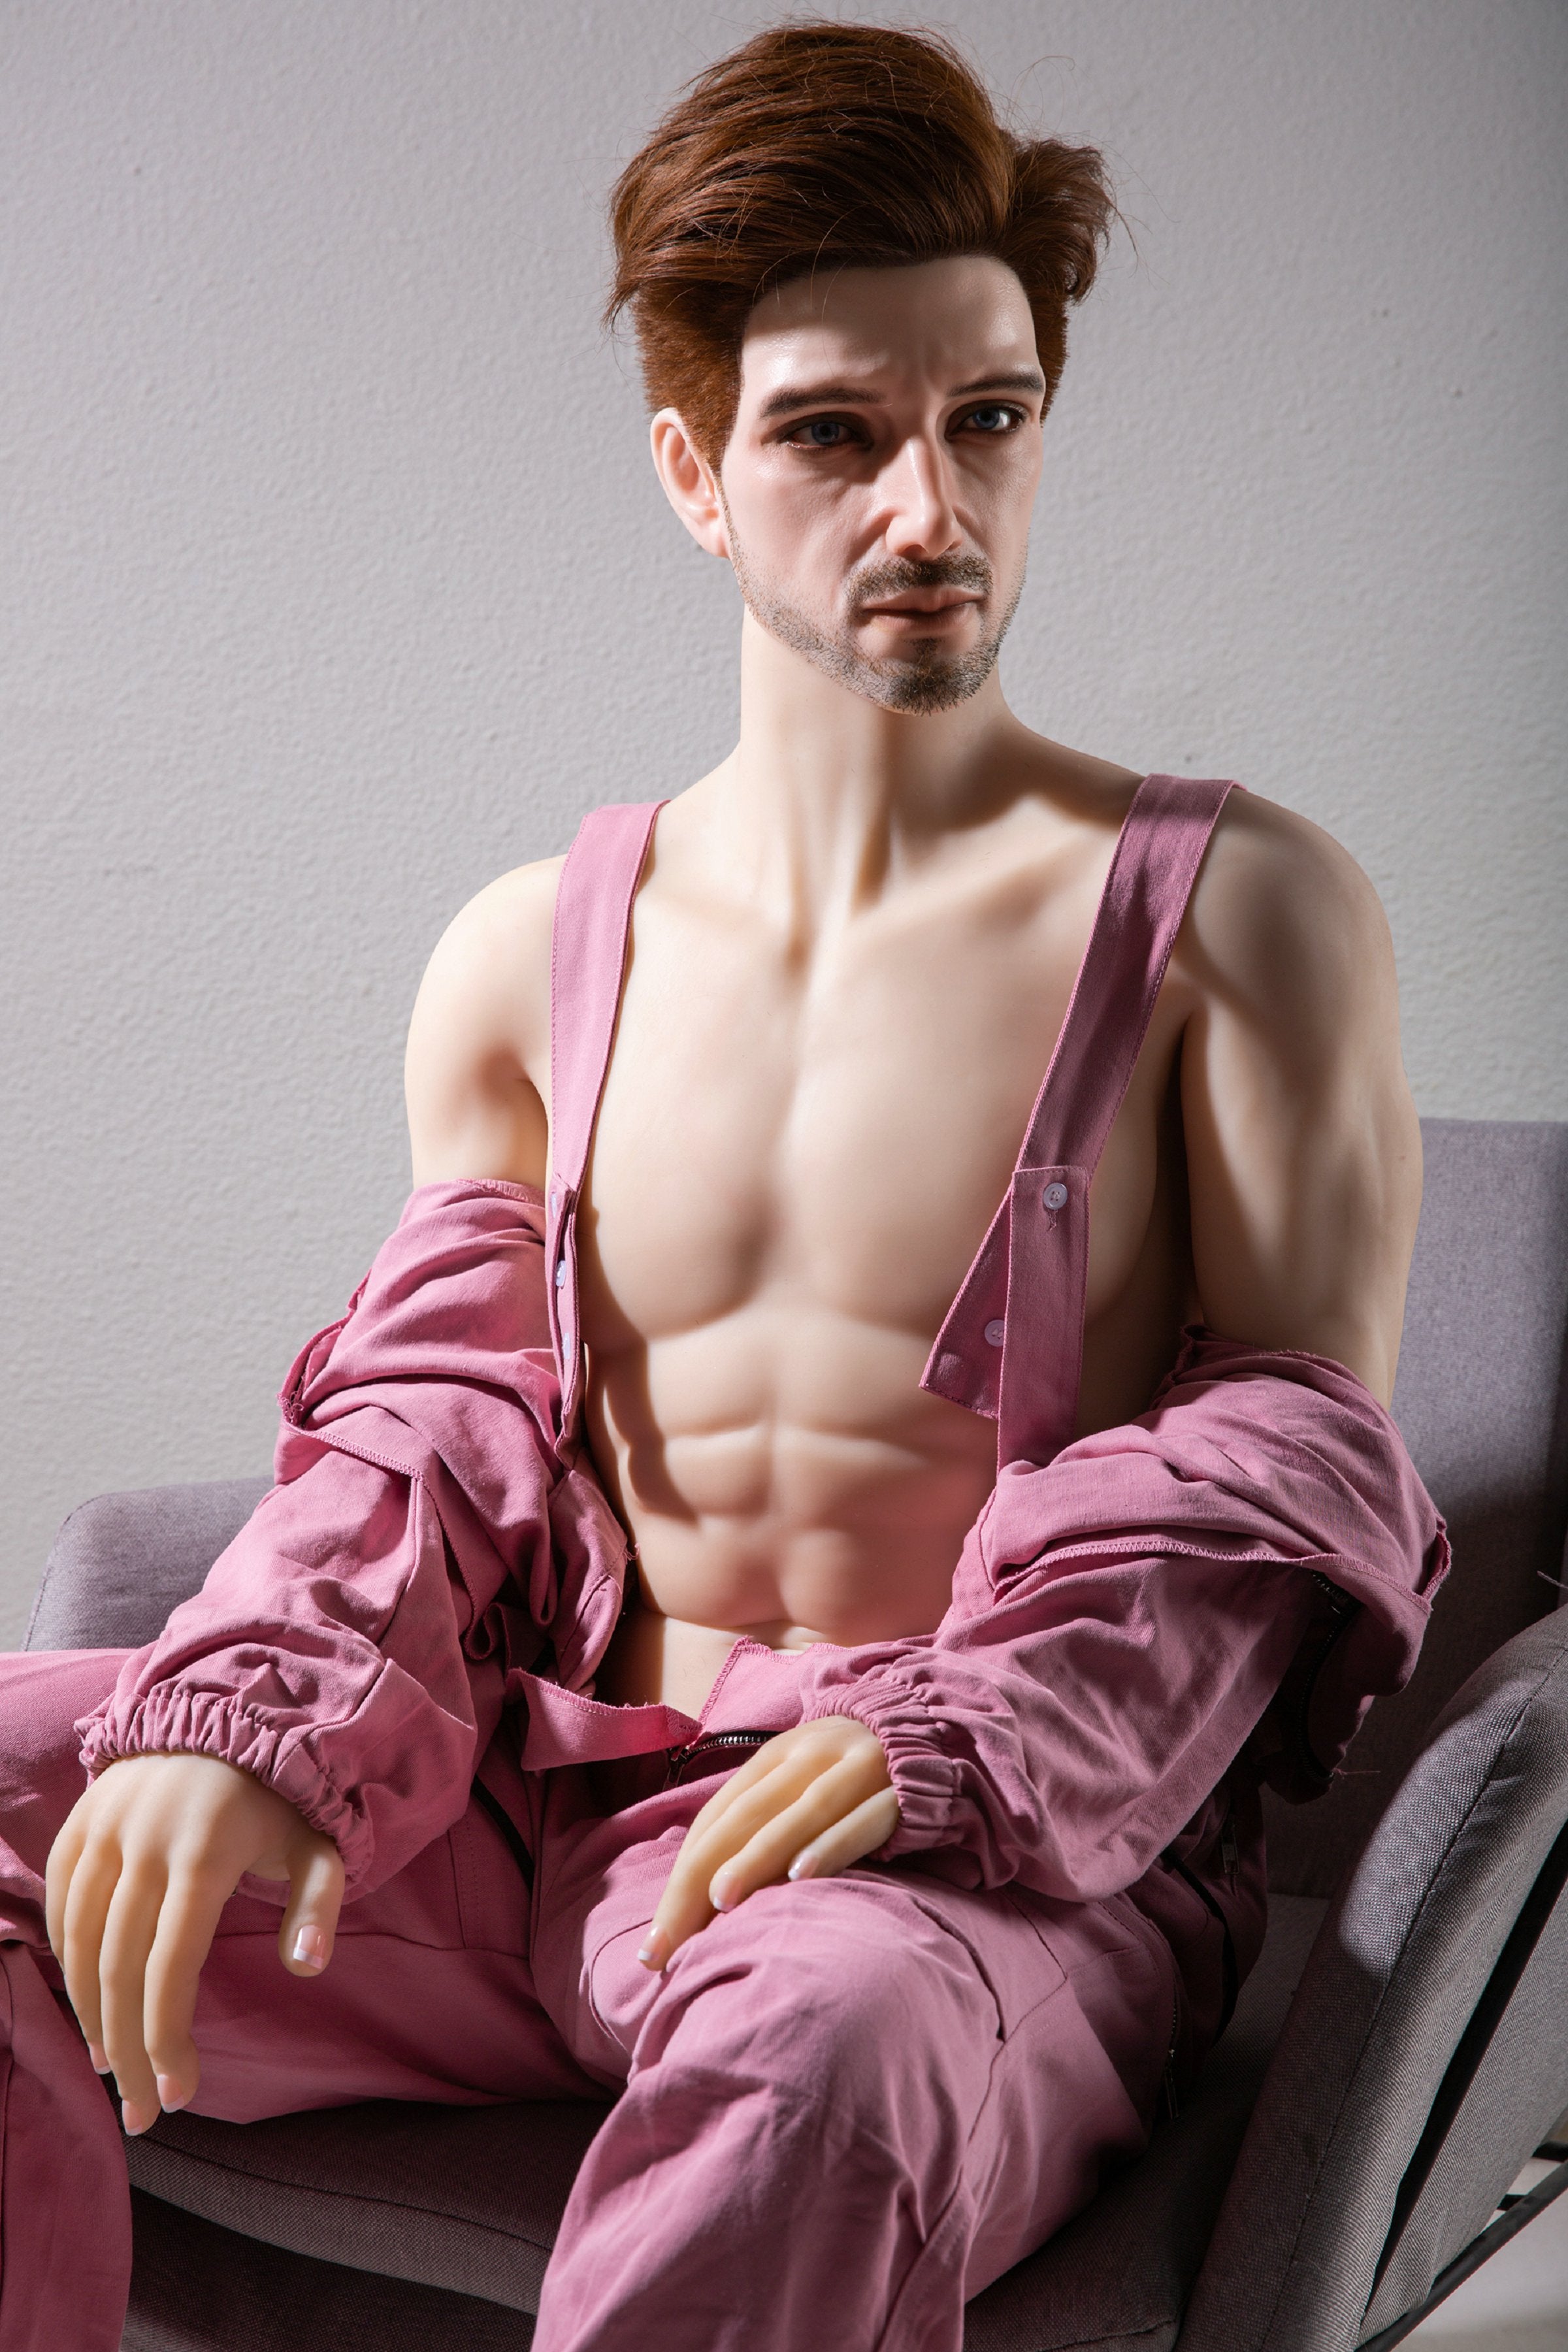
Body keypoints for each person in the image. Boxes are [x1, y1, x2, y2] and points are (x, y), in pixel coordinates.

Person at [0, 20, 1446, 2351]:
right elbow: (435, 1427)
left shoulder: (1237, 917)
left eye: (990, 423)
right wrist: (240, 1722)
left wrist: (943, 1741)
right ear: (694, 471)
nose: (929, 512)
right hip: (536, 1809)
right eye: (835, 437)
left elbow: (1281, 1461)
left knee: (828, 2061)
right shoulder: (522, 955)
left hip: (969, 1877)